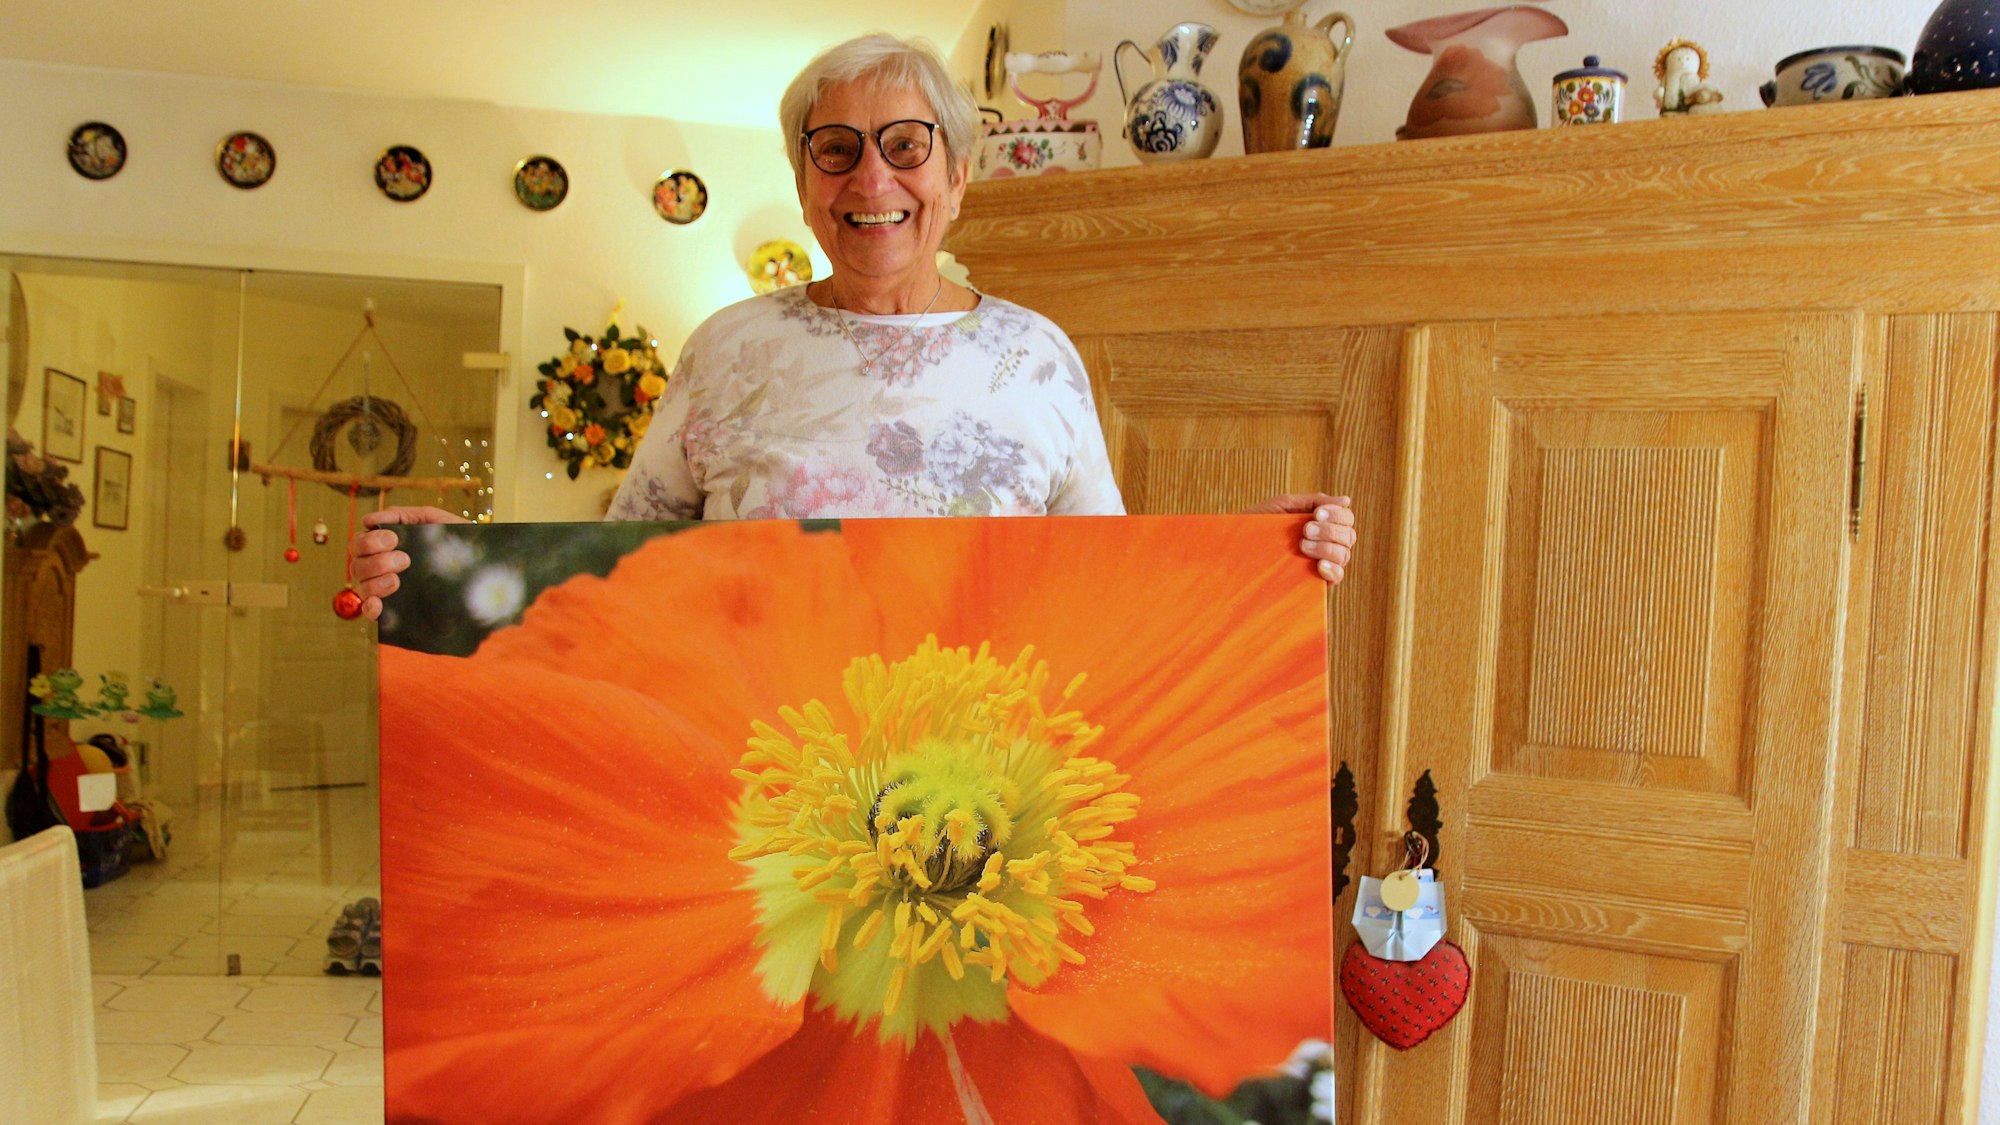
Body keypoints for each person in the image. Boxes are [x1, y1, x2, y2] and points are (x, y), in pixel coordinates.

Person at [348, 34, 1357, 617]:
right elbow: (626, 567)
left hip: (987, 780)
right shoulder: (728, 347)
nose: (871, 178)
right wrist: (458, 562)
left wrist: (1257, 556)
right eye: (835, 150)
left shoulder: (1036, 358)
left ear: (957, 178)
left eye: (906, 146)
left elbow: (1104, 585)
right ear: (802, 185)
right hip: (754, 767)